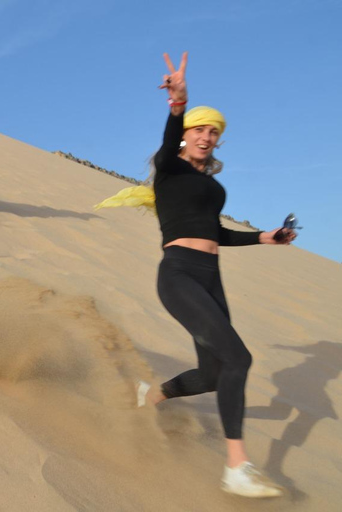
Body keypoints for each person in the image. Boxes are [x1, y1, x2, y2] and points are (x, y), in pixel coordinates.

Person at [135, 52, 296, 498]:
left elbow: (215, 232)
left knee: (212, 374)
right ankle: (236, 466)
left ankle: (150, 396)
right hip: (179, 275)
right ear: (185, 136)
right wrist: (177, 106)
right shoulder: (168, 170)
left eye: (213, 132)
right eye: (199, 129)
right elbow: (167, 143)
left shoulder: (216, 187)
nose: (206, 136)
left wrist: (264, 238)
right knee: (239, 359)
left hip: (211, 277)